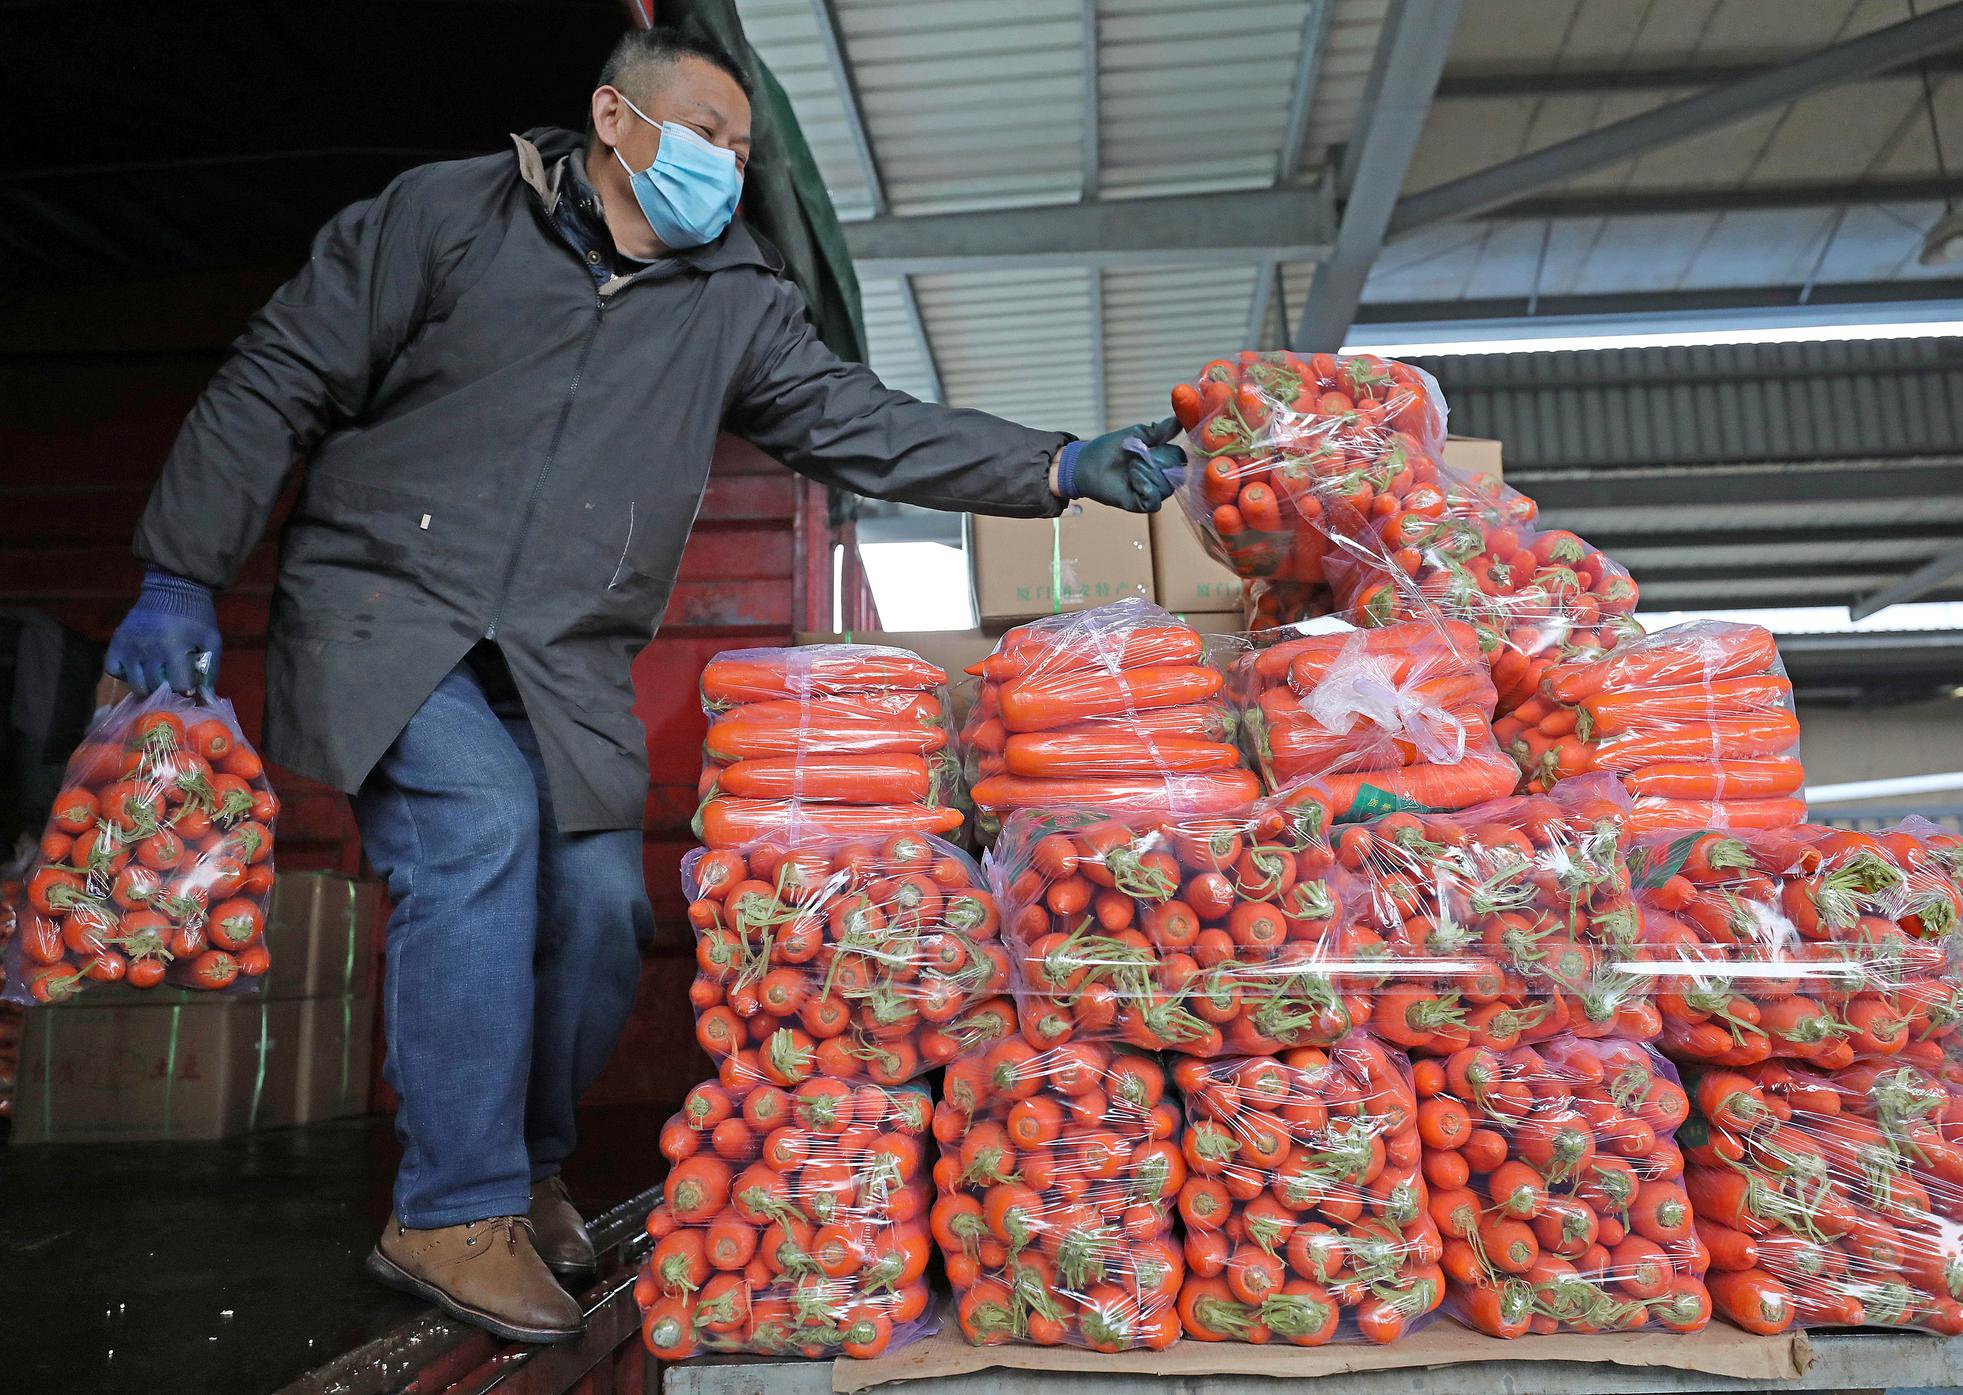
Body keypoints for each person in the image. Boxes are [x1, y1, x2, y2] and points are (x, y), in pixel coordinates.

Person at [105, 25, 1183, 1344]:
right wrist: (178, 570)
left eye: (742, 149)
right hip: (389, 602)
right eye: (709, 133)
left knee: (606, 899)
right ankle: (450, 1210)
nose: (727, 165)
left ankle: (526, 1168)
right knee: (479, 831)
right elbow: (281, 370)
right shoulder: (448, 216)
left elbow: (865, 424)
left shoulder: (735, 298)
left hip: (562, 649)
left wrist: (1061, 464)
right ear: (616, 121)